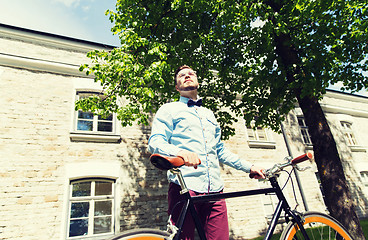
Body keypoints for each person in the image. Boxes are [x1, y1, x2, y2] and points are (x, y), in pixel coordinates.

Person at [148, 65, 265, 240]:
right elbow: (155, 142)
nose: (187, 76)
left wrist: (250, 167)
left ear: (197, 81)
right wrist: (180, 153)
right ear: (177, 87)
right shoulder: (168, 109)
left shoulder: (209, 114)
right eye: (181, 75)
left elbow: (220, 151)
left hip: (216, 191)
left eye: (191, 73)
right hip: (184, 188)